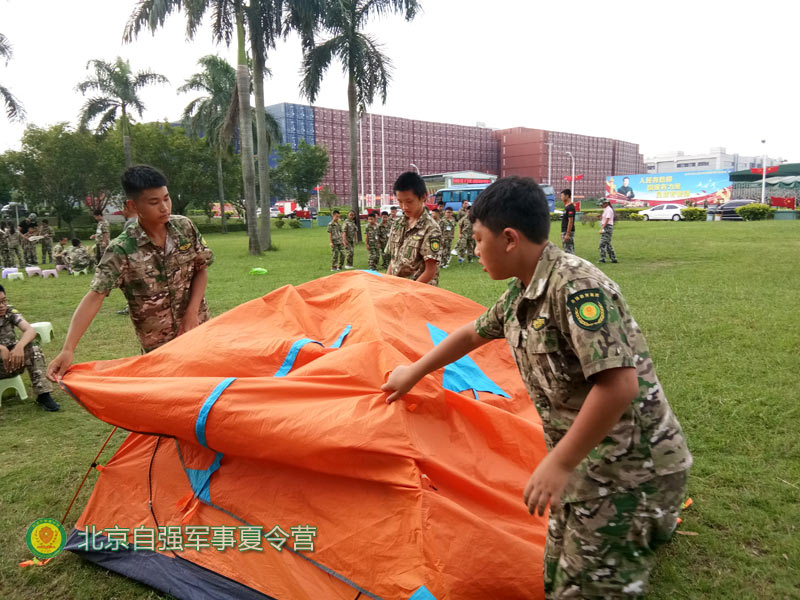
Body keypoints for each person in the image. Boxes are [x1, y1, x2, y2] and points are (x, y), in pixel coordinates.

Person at [382, 176, 692, 599]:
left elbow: (618, 385)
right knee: (557, 578)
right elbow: (472, 334)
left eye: (477, 239)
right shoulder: (521, 293)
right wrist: (413, 372)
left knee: (587, 590)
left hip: (631, 470)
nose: (473, 250)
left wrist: (559, 463)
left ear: (509, 239)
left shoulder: (576, 287)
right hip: (588, 463)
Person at [47, 165, 214, 380]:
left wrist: (192, 313)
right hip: (159, 349)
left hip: (199, 331)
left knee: (209, 394)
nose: (164, 207)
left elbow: (201, 269)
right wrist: (68, 349)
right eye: (154, 202)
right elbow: (94, 297)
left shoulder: (184, 228)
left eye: (166, 198)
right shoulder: (122, 249)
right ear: (133, 205)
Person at [0, 284, 60, 411]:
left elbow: (30, 330)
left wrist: (19, 346)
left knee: (33, 348)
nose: (2, 305)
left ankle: (44, 395)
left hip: (13, 362)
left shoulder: (9, 311)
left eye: (4, 301)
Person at [386, 171, 441, 286]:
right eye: (400, 202)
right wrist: (387, 284)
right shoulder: (397, 224)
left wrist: (408, 291)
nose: (404, 207)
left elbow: (430, 271)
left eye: (409, 201)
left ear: (423, 197)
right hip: (398, 290)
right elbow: (393, 260)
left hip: (419, 292)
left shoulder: (431, 228)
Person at [599, 199, 618, 264]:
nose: (601, 205)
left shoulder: (609, 210)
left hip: (607, 227)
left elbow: (607, 219)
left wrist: (602, 228)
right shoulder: (606, 209)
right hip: (607, 227)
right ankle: (613, 258)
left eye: (602, 204)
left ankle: (603, 258)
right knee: (608, 244)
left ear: (606, 203)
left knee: (602, 244)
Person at [560, 189, 576, 254]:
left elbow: (570, 221)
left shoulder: (570, 207)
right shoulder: (567, 207)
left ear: (567, 196)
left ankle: (572, 264)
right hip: (565, 231)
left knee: (568, 251)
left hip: (568, 231)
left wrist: (567, 234)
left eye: (562, 196)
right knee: (567, 249)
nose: (561, 198)